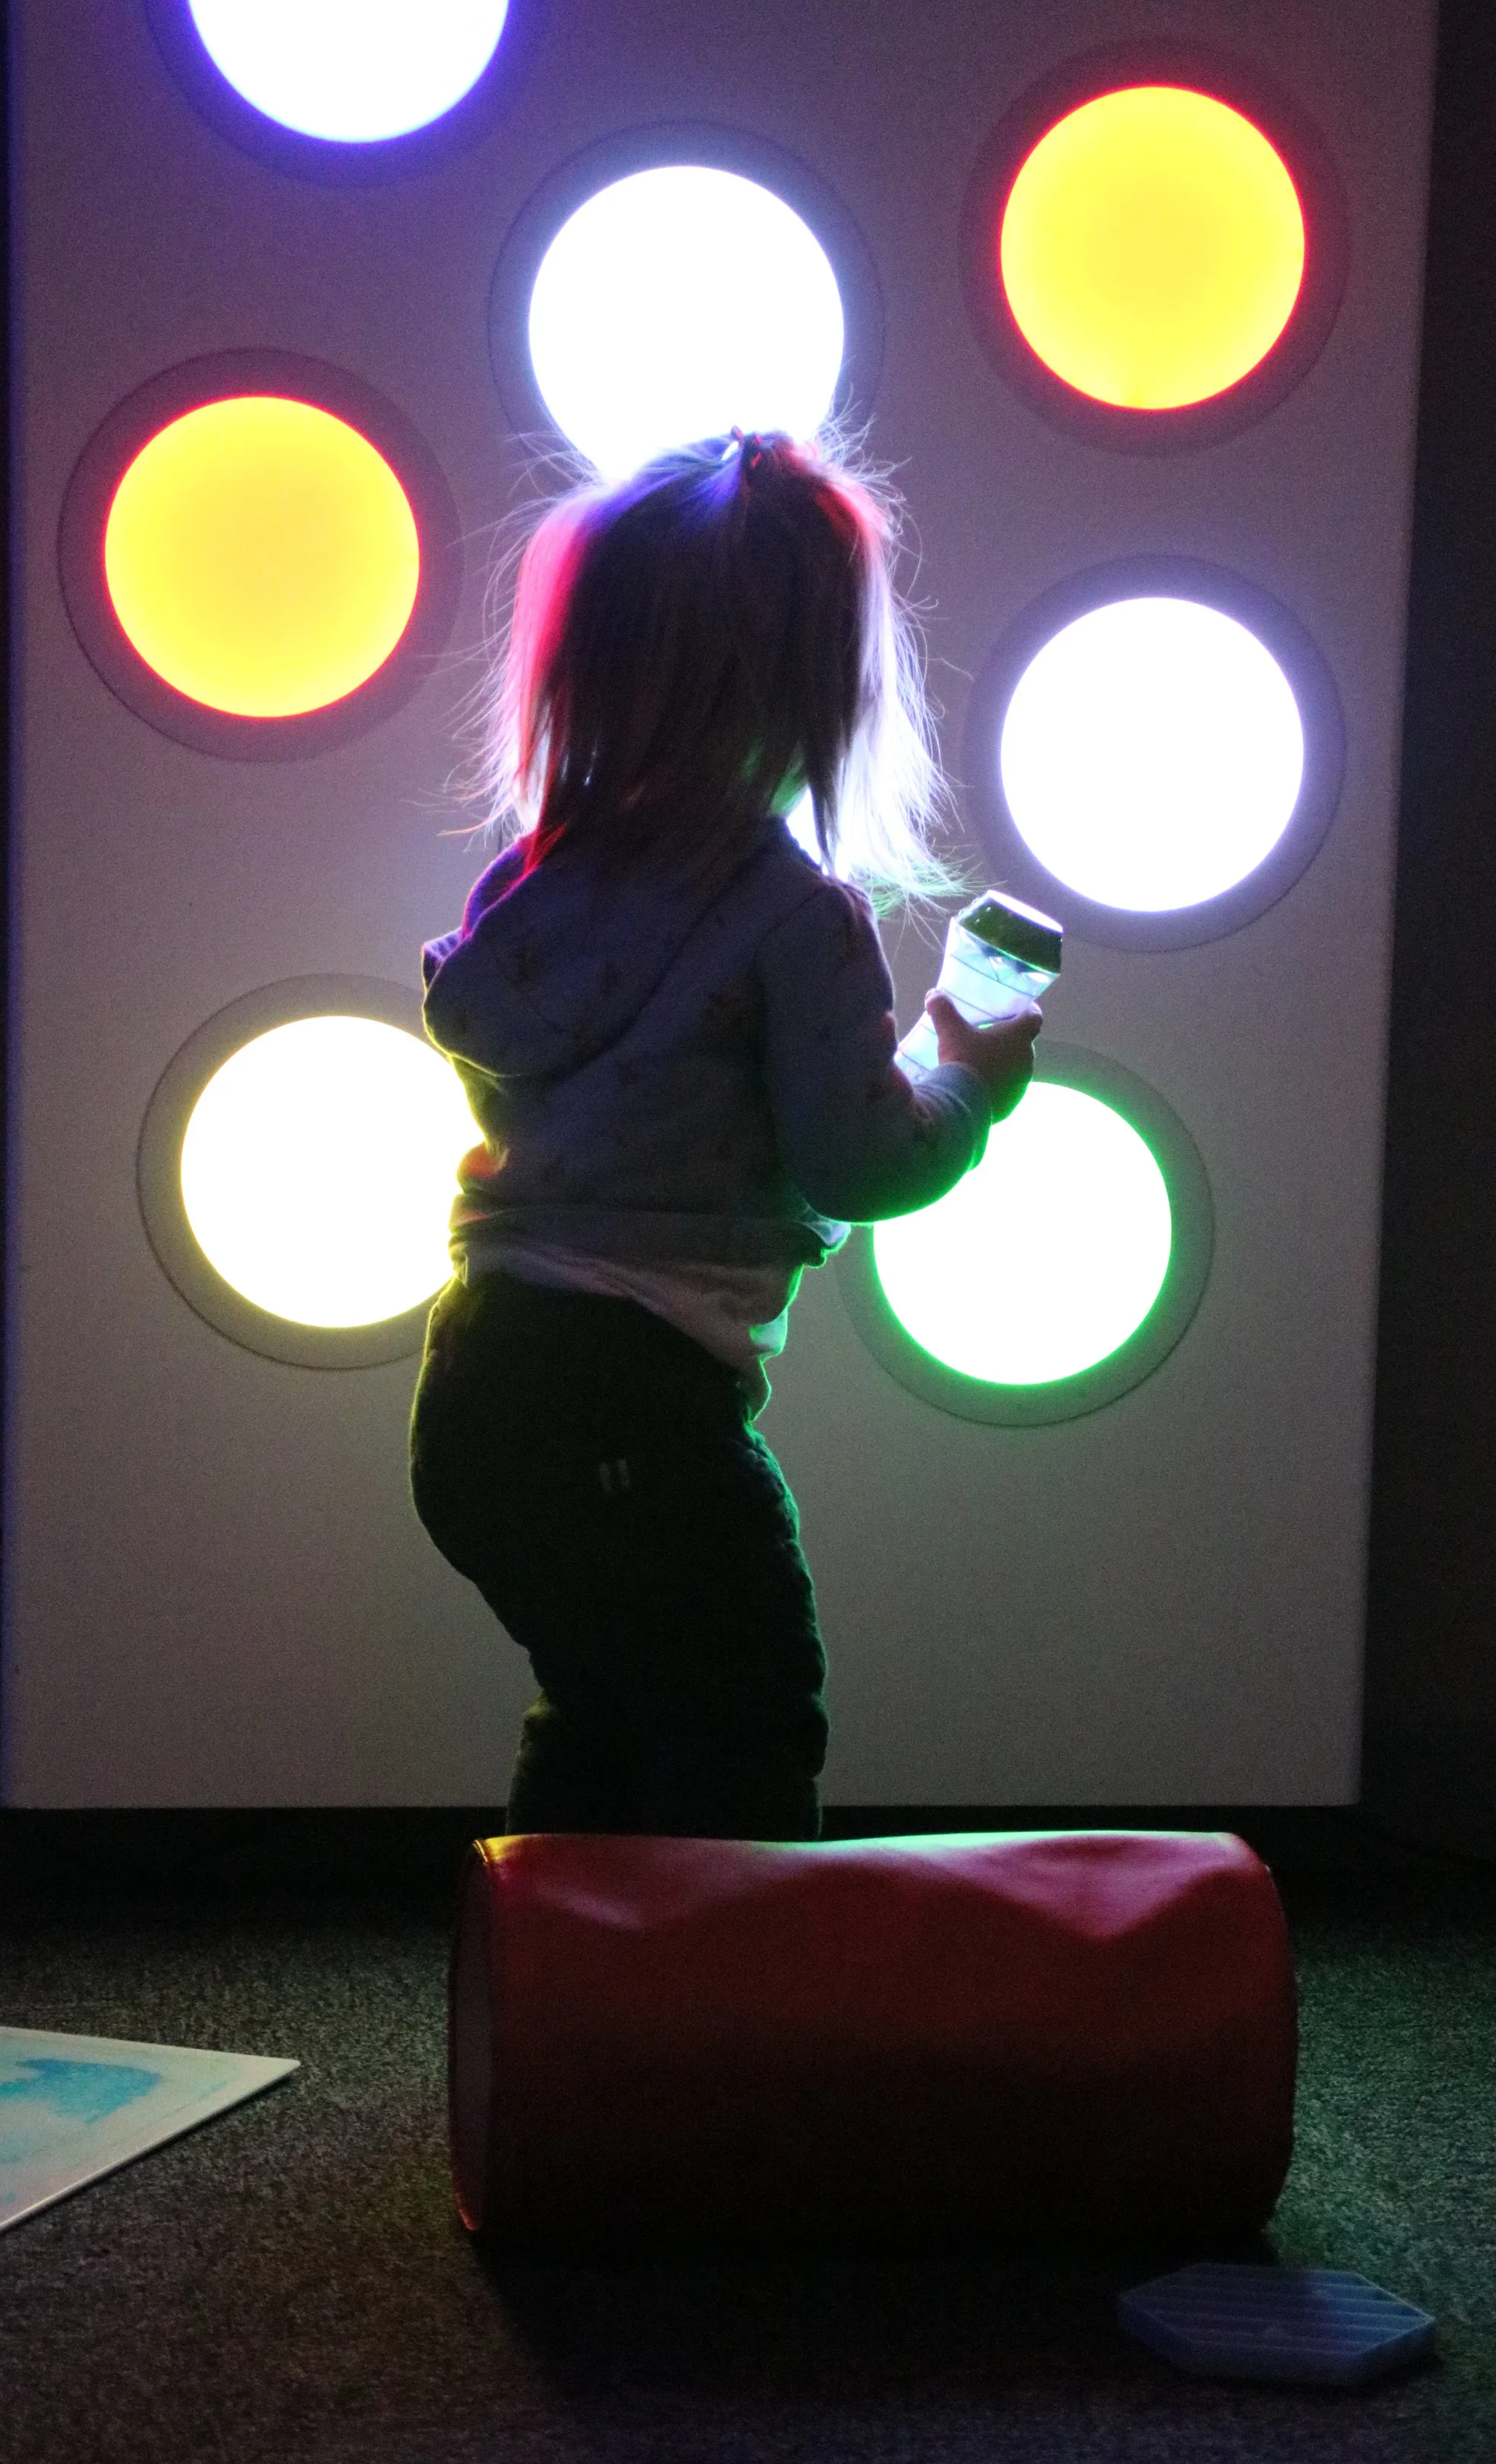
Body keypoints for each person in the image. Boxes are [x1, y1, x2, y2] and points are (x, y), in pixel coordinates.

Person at [408, 427, 1040, 1841]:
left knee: (603, 1703)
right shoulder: (792, 914)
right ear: (820, 685)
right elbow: (859, 1161)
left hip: (480, 1387)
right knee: (747, 1714)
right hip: (633, 1406)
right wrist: (967, 1076)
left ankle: (554, 2010)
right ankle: (728, 2032)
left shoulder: (527, 884)